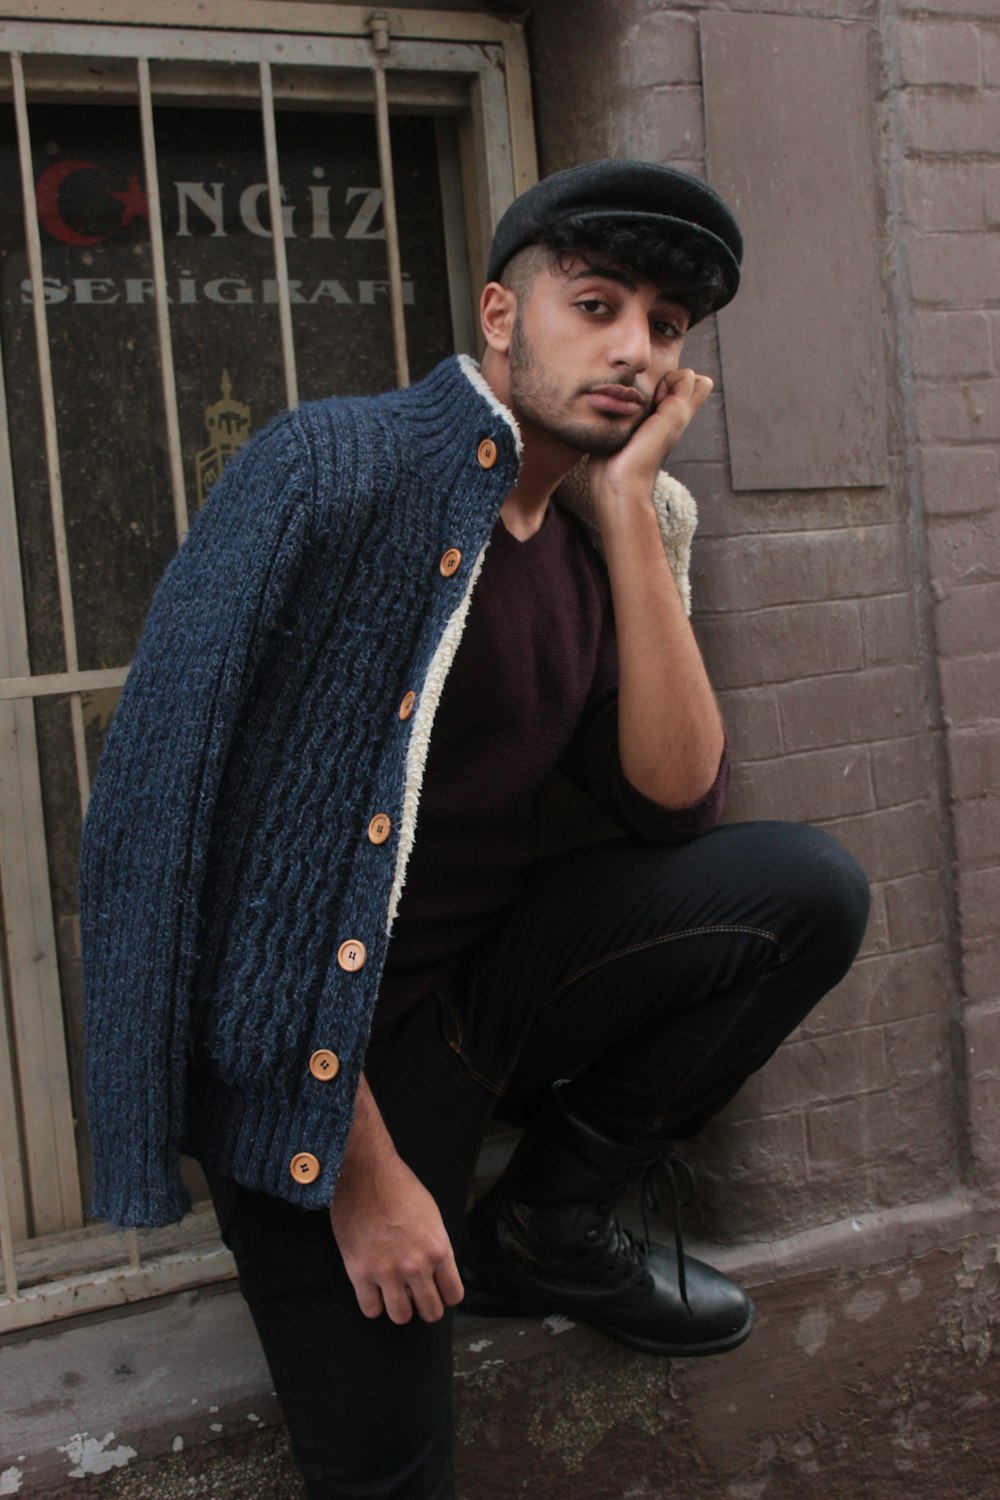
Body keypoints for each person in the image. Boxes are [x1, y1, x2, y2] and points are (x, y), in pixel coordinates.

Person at [81, 159, 870, 1498]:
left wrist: (629, 513)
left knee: (803, 889)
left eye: (666, 329)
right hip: (308, 1068)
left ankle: (545, 1225)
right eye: (598, 303)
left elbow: (679, 803)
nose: (632, 348)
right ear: (503, 315)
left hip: (471, 1003)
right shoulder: (332, 468)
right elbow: (187, 839)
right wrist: (353, 1174)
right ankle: (410, 1208)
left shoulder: (578, 543)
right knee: (392, 1476)